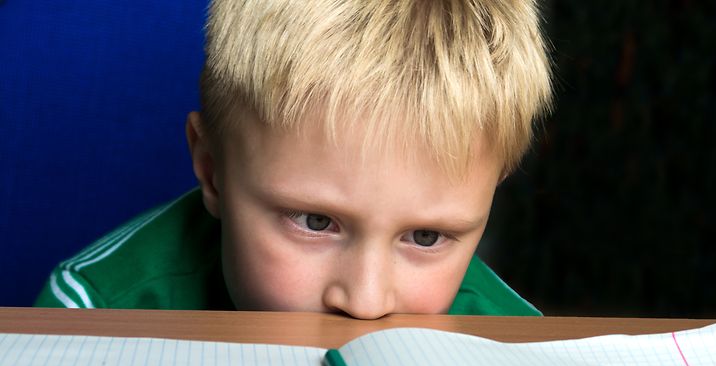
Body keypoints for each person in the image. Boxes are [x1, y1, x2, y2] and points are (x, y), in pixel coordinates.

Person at [34, 0, 552, 318]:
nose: (365, 302)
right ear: (212, 170)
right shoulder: (89, 313)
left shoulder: (513, 351)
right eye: (316, 221)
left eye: (425, 237)